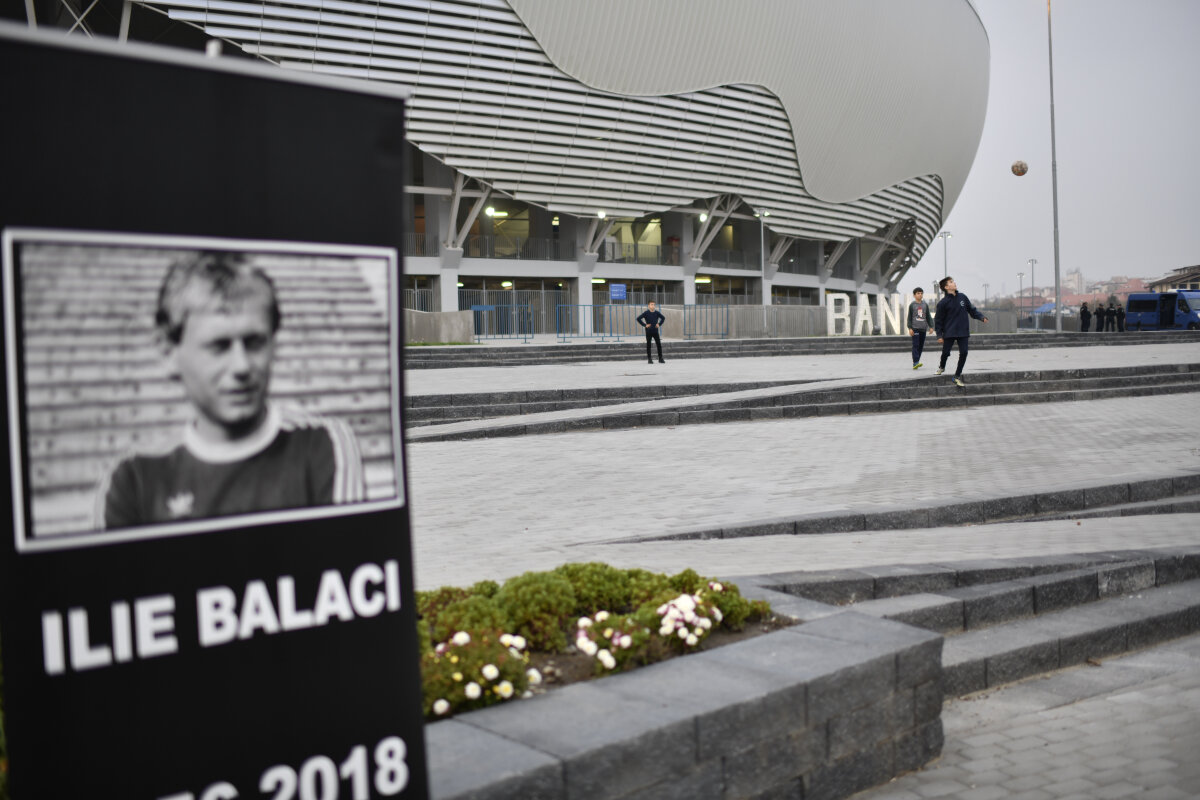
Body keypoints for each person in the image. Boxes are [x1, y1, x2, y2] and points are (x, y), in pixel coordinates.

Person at [95, 251, 365, 530]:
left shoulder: (321, 445)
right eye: (219, 346)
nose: (242, 366)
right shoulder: (133, 480)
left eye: (255, 342)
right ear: (168, 353)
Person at [934, 276, 988, 387]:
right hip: (949, 332)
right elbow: (938, 320)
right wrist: (939, 335)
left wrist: (981, 317)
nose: (954, 283)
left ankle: (957, 376)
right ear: (946, 287)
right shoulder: (942, 303)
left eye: (953, 281)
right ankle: (942, 367)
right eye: (951, 282)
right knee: (945, 353)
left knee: (964, 353)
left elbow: (972, 310)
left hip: (963, 332)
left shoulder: (962, 297)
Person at [906, 287, 933, 369]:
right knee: (916, 345)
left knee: (920, 346)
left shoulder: (925, 305)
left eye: (921, 293)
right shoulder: (912, 305)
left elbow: (928, 316)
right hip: (915, 329)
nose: (920, 295)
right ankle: (916, 362)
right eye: (918, 293)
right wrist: (910, 328)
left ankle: (916, 362)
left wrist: (931, 326)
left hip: (923, 329)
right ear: (914, 295)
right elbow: (909, 317)